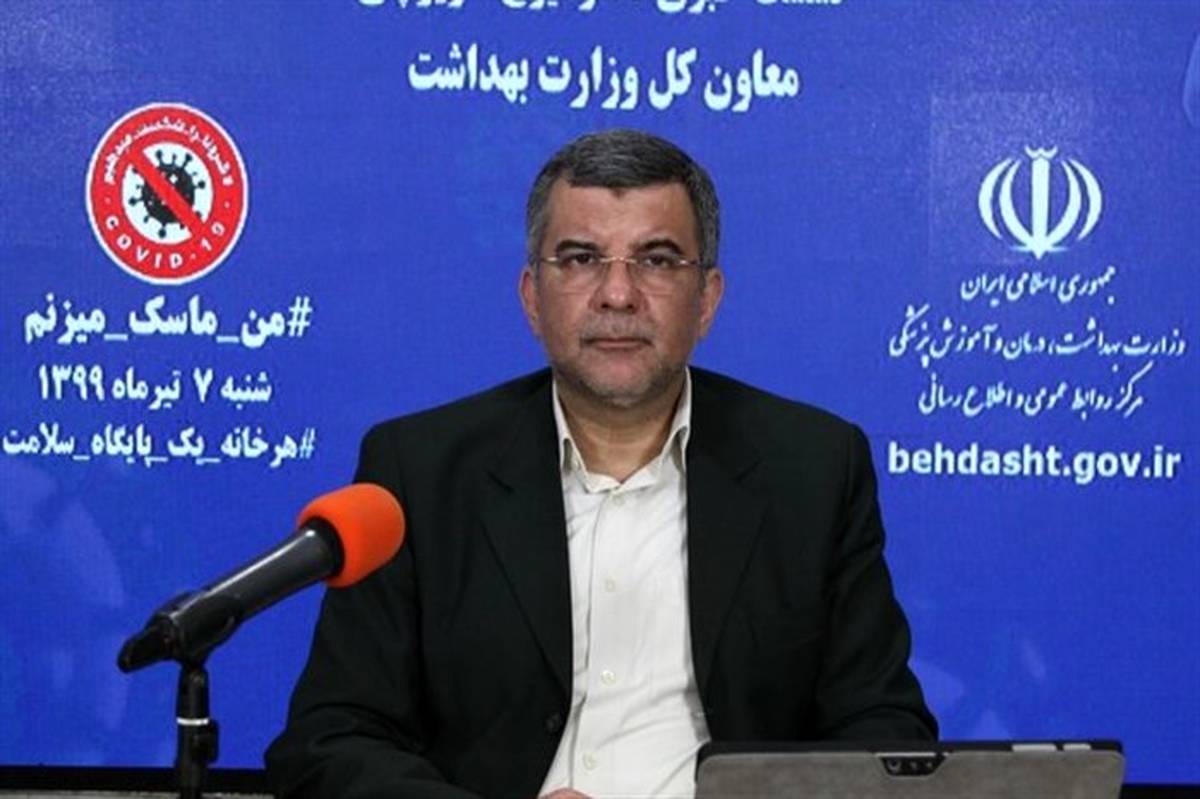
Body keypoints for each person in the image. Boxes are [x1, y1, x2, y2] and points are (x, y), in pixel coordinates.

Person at [265, 129, 936, 799]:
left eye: (657, 259)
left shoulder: (813, 470)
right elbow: (332, 740)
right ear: (533, 296)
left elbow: (884, 735)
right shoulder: (419, 472)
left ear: (707, 299)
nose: (618, 294)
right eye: (581, 258)